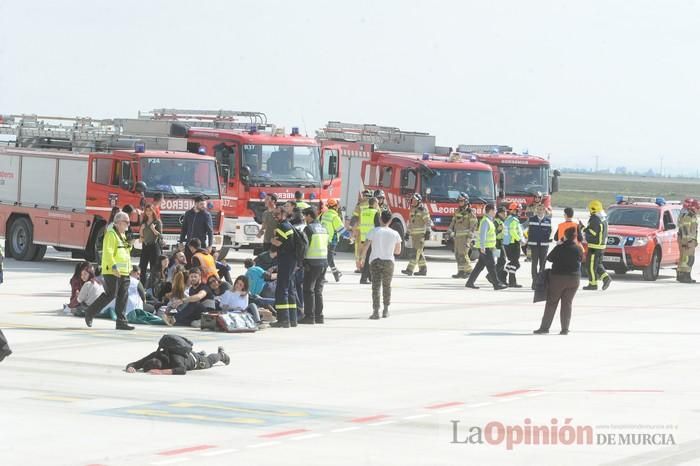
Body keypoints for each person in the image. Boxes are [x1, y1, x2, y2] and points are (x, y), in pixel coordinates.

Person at [84, 212, 135, 330]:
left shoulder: (121, 234)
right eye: (126, 221)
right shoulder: (111, 234)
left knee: (123, 296)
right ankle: (90, 312)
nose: (128, 224)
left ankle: (121, 321)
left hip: (124, 271)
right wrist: (113, 267)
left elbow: (124, 251)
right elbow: (108, 252)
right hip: (113, 271)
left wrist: (130, 245)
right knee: (111, 294)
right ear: (118, 223)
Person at [534, 227, 584, 335]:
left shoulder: (560, 247)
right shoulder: (578, 248)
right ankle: (565, 329)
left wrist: (559, 244)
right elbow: (581, 259)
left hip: (558, 278)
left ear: (565, 236)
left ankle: (544, 328)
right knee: (567, 303)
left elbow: (549, 258)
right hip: (574, 279)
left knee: (552, 302)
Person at [360, 210, 402, 319]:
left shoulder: (373, 231)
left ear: (380, 219)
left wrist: (361, 258)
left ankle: (375, 312)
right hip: (389, 261)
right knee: (387, 286)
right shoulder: (395, 234)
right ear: (391, 220)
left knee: (376, 287)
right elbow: (398, 251)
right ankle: (386, 310)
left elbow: (366, 246)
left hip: (375, 261)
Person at [126, 338, 230, 375]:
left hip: (195, 361)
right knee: (200, 355)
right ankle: (201, 353)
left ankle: (221, 355)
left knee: (209, 360)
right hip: (186, 356)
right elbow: (134, 364)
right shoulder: (155, 354)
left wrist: (162, 372)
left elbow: (182, 370)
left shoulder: (175, 358)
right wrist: (131, 367)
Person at [465, 204, 508, 290]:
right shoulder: (485, 221)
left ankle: (470, 282)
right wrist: (482, 247)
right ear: (491, 210)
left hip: (488, 247)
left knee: (479, 266)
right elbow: (482, 235)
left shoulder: (489, 220)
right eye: (495, 210)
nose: (496, 212)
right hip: (485, 248)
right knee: (491, 266)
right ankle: (496, 284)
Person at [269, 207, 299, 328]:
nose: (275, 217)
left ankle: (283, 320)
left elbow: (278, 243)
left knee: (282, 290)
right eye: (273, 215)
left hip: (286, 261)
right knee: (290, 289)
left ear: (283, 214)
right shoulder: (290, 226)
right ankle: (293, 319)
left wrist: (272, 240)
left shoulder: (282, 227)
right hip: (292, 261)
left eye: (276, 214)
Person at [299, 207, 329, 325]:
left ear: (310, 216)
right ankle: (319, 316)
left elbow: (304, 246)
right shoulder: (324, 228)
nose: (304, 219)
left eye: (305, 216)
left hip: (311, 262)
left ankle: (309, 317)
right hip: (323, 261)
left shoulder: (309, 228)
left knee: (308, 289)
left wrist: (301, 261)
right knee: (318, 290)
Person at [582, 200, 611, 291]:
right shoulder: (603, 217)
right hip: (601, 246)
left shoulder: (595, 219)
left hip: (595, 247)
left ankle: (593, 284)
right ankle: (606, 278)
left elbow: (592, 232)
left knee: (590, 266)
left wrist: (582, 228)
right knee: (597, 264)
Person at [447, 193, 478, 279]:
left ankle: (469, 271)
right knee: (457, 254)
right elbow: (453, 222)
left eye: (461, 201)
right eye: (459, 201)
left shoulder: (471, 212)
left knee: (464, 254)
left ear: (466, 201)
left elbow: (473, 226)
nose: (460, 202)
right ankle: (461, 271)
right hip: (457, 237)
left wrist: (469, 239)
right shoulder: (457, 211)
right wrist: (449, 231)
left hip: (465, 238)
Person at [401, 193, 431, 276]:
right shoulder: (412, 210)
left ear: (419, 201)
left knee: (415, 252)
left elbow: (428, 221)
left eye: (415, 200)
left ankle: (409, 269)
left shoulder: (423, 210)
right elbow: (411, 223)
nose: (413, 202)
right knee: (419, 253)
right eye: (412, 200)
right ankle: (423, 269)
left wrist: (428, 231)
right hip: (414, 236)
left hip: (420, 236)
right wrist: (407, 233)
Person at [320, 198, 350, 282]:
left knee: (329, 257)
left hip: (324, 239)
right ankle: (322, 277)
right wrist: (349, 236)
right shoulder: (334, 217)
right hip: (332, 240)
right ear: (336, 207)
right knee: (328, 258)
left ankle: (336, 273)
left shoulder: (324, 214)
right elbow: (341, 230)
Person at [527, 204, 552, 289]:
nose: (540, 211)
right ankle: (534, 282)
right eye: (538, 209)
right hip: (534, 245)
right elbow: (526, 230)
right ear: (536, 210)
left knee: (542, 265)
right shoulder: (531, 219)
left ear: (544, 210)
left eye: (541, 209)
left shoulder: (548, 221)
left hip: (544, 246)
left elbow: (550, 233)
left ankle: (540, 282)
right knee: (534, 264)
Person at [139, 204, 163, 287]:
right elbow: (141, 237)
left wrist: (153, 229)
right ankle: (142, 287)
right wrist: (141, 230)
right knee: (142, 267)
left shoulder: (157, 222)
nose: (148, 212)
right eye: (147, 210)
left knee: (154, 268)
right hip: (145, 246)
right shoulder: (144, 222)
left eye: (150, 210)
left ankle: (152, 288)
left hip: (154, 246)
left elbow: (161, 236)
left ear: (153, 211)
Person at [502, 203, 525, 288]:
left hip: (507, 243)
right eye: (519, 210)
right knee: (515, 263)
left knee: (513, 263)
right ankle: (512, 281)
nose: (520, 211)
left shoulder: (508, 219)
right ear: (514, 210)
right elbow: (513, 232)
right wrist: (519, 240)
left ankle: (502, 276)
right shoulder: (514, 220)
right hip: (513, 243)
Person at [677, 198, 699, 283]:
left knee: (685, 259)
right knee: (688, 259)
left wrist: (694, 240)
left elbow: (693, 230)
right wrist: (688, 242)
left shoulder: (692, 216)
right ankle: (685, 276)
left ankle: (683, 275)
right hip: (687, 241)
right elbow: (685, 230)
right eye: (698, 208)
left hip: (689, 240)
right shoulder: (688, 216)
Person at [359, 197, 380, 284]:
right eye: (377, 203)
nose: (378, 205)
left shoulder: (364, 211)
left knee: (369, 258)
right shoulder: (375, 212)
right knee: (369, 259)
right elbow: (378, 226)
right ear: (375, 203)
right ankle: (363, 278)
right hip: (372, 239)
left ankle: (370, 277)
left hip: (364, 237)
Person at [351, 189, 372, 271]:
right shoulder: (374, 204)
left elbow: (355, 217)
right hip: (371, 231)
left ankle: (359, 267)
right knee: (368, 249)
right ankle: (367, 267)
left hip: (360, 230)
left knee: (359, 250)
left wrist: (351, 229)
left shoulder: (360, 204)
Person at [494, 206, 508, 283]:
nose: (504, 214)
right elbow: (493, 233)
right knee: (502, 260)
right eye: (503, 212)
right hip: (497, 243)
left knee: (501, 261)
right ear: (498, 213)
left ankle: (499, 278)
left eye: (505, 212)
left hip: (502, 242)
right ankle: (492, 275)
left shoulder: (502, 221)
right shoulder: (496, 222)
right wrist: (498, 230)